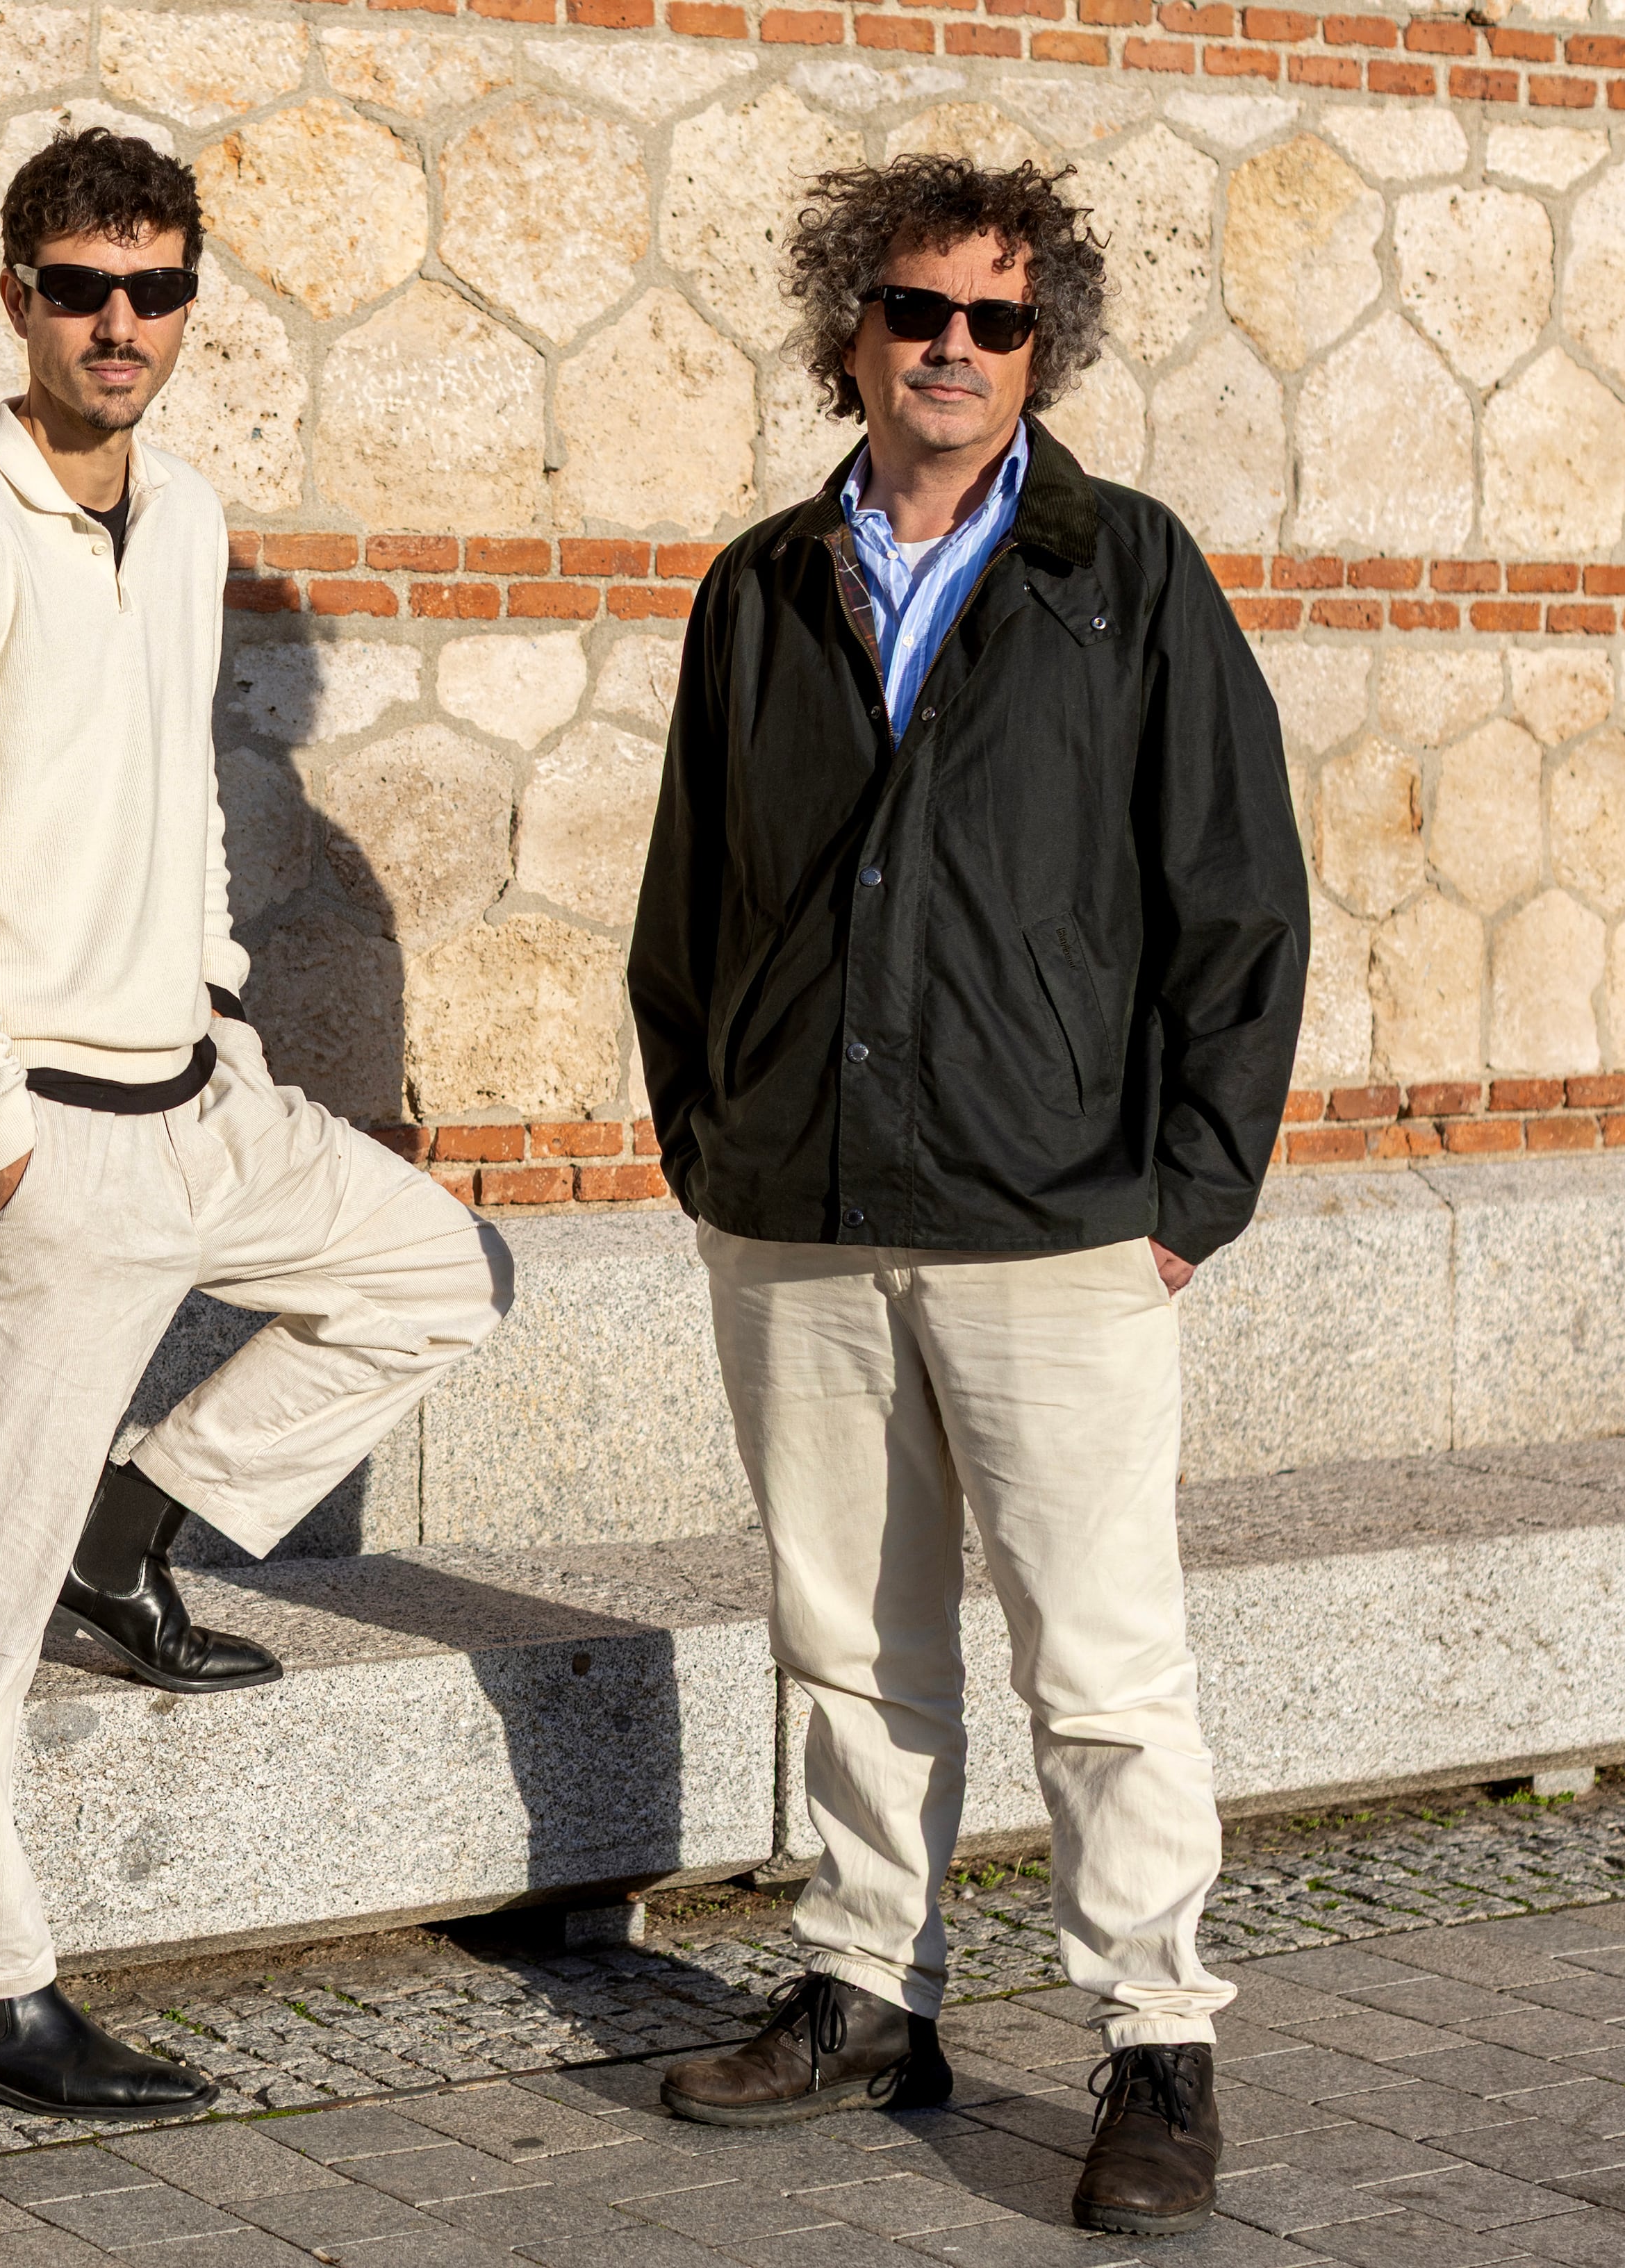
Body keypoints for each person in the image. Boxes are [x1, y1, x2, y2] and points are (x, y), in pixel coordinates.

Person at [625, 156, 1308, 2236]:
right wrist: (714, 1138)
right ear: (850, 325)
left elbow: (1238, 896)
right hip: (800, 1212)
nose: (951, 347)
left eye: (996, 322)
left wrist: (1189, 1188)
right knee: (846, 1636)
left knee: (1097, 1661)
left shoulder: (1129, 574)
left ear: (1043, 348)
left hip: (1061, 1221)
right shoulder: (757, 586)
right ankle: (860, 1985)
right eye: (916, 309)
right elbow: (688, 905)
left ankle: (1158, 2044)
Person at [0, 129, 513, 2121]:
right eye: (78, 288)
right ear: (14, 300)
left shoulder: (192, 514)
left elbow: (174, 786)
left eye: (153, 289)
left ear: (190, 302)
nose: (117, 325)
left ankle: (137, 1529)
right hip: (39, 1140)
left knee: (437, 1274)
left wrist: (217, 986)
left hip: (202, 1093)